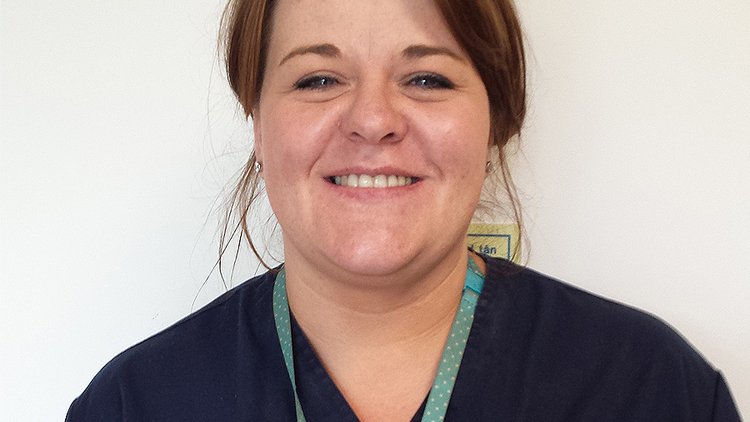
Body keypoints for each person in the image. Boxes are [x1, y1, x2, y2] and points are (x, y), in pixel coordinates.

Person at [66, 0, 741, 420]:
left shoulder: (651, 389)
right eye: (318, 79)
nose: (373, 119)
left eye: (426, 78)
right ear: (259, 124)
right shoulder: (135, 404)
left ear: (496, 123)